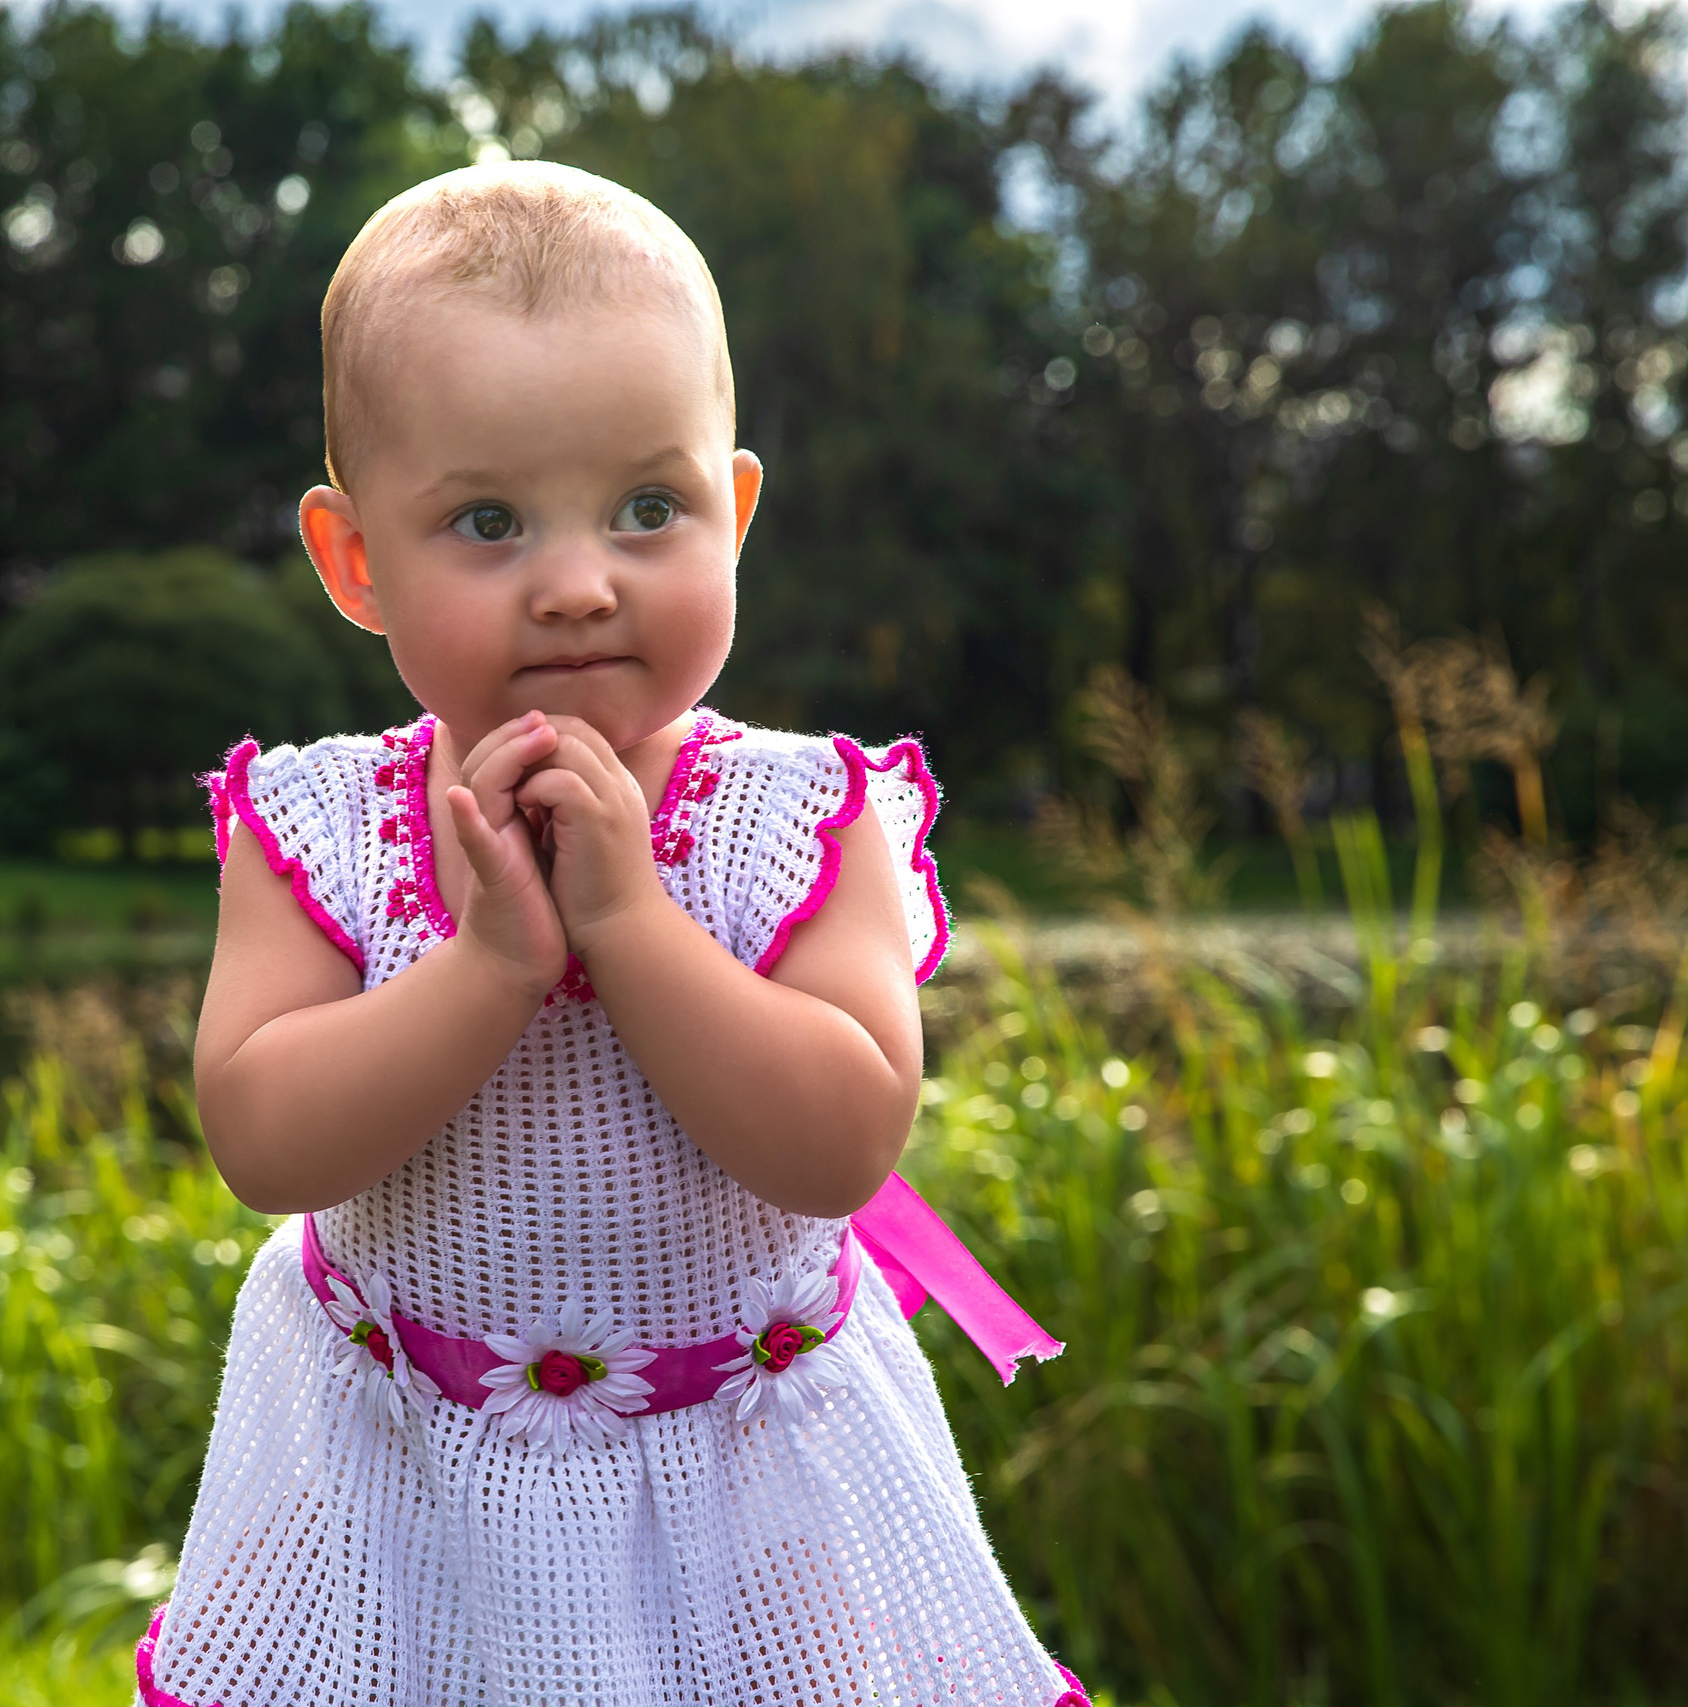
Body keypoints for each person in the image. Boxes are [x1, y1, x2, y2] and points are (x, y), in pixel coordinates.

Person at [138, 161, 1084, 1707]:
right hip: (412, 1496)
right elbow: (264, 1138)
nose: (580, 586)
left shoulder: (804, 822)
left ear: (740, 508)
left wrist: (630, 923)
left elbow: (843, 1141)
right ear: (355, 560)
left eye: (652, 508)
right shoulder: (319, 831)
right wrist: (493, 966)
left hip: (754, 1497)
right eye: (489, 523)